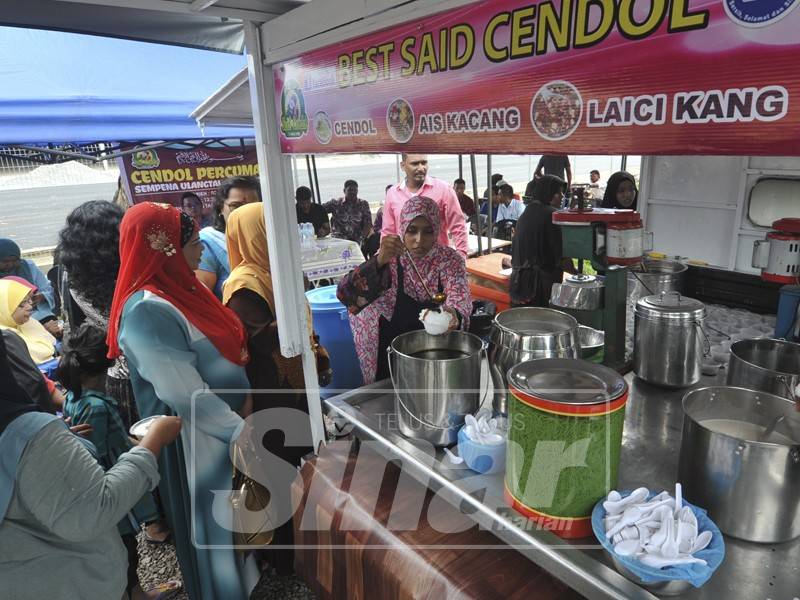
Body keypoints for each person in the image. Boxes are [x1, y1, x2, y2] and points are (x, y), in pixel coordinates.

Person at [108, 202, 259, 600]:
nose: (199, 251)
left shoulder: (184, 290)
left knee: (232, 516)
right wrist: (237, 429)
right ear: (164, 249)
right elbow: (182, 391)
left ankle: (240, 586)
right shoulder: (146, 312)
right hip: (197, 437)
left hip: (221, 429)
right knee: (213, 528)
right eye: (192, 243)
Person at [0, 328, 182, 600]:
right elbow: (97, 508)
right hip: (74, 583)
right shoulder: (28, 433)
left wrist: (63, 445)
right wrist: (153, 441)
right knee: (129, 553)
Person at [223, 202, 321, 574]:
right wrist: (295, 330)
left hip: (291, 388)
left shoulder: (275, 271)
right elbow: (259, 343)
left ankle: (307, 542)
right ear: (255, 234)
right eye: (271, 228)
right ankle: (284, 558)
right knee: (278, 473)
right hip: (268, 393)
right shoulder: (243, 286)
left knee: (304, 465)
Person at [58, 323, 170, 600]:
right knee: (125, 550)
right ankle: (133, 593)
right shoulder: (95, 407)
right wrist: (146, 445)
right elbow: (97, 453)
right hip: (113, 491)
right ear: (107, 362)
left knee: (124, 550)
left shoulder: (73, 397)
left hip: (108, 485)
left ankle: (137, 591)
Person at [338, 196, 472, 384]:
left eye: (428, 231)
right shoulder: (389, 260)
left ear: (437, 231)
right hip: (392, 359)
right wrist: (378, 261)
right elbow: (345, 295)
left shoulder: (450, 261)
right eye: (412, 231)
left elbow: (459, 299)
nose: (419, 240)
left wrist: (453, 314)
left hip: (437, 358)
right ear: (402, 229)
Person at [504, 175, 576, 307]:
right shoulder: (551, 215)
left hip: (519, 283)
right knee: (541, 324)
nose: (561, 196)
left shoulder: (527, 213)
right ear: (547, 192)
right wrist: (578, 276)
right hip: (540, 287)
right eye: (557, 192)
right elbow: (562, 257)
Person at [197, 176, 261, 299]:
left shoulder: (268, 238)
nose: (244, 213)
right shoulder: (208, 242)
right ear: (220, 208)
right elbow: (203, 300)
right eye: (236, 206)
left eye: (252, 206)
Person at [0, 237, 59, 335]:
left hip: (40, 315)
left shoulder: (28, 267)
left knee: (55, 331)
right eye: (5, 261)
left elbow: (49, 289)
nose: (10, 265)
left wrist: (42, 296)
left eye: (15, 260)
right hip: (8, 324)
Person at [0, 278, 56, 365]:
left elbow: (52, 347)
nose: (30, 307)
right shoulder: (5, 339)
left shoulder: (29, 323)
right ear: (3, 308)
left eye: (29, 301)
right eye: (22, 304)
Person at [322, 179, 373, 244]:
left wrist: (362, 238)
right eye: (350, 190)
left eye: (355, 190)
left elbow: (368, 223)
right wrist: (324, 227)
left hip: (356, 240)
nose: (352, 192)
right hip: (338, 240)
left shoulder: (363, 204)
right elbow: (319, 210)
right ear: (344, 191)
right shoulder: (335, 203)